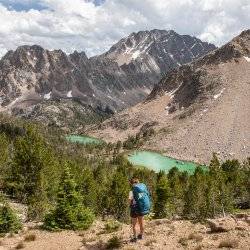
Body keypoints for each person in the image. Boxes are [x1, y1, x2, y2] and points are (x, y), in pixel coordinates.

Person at [129, 177, 151, 242]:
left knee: (134, 224)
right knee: (141, 223)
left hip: (134, 209)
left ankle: (135, 238)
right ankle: (141, 235)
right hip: (141, 208)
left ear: (132, 183)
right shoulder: (143, 189)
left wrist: (130, 204)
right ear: (138, 182)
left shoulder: (131, 191)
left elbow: (129, 201)